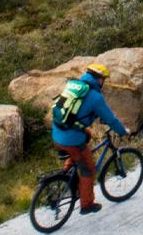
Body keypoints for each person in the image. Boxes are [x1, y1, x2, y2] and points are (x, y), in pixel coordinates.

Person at [49, 63, 129, 215]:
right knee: (88, 169)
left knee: (87, 134)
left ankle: (69, 169)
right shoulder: (95, 97)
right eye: (103, 79)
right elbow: (111, 120)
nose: (103, 82)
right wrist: (122, 132)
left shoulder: (76, 85)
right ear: (99, 80)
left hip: (57, 132)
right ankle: (87, 204)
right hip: (70, 139)